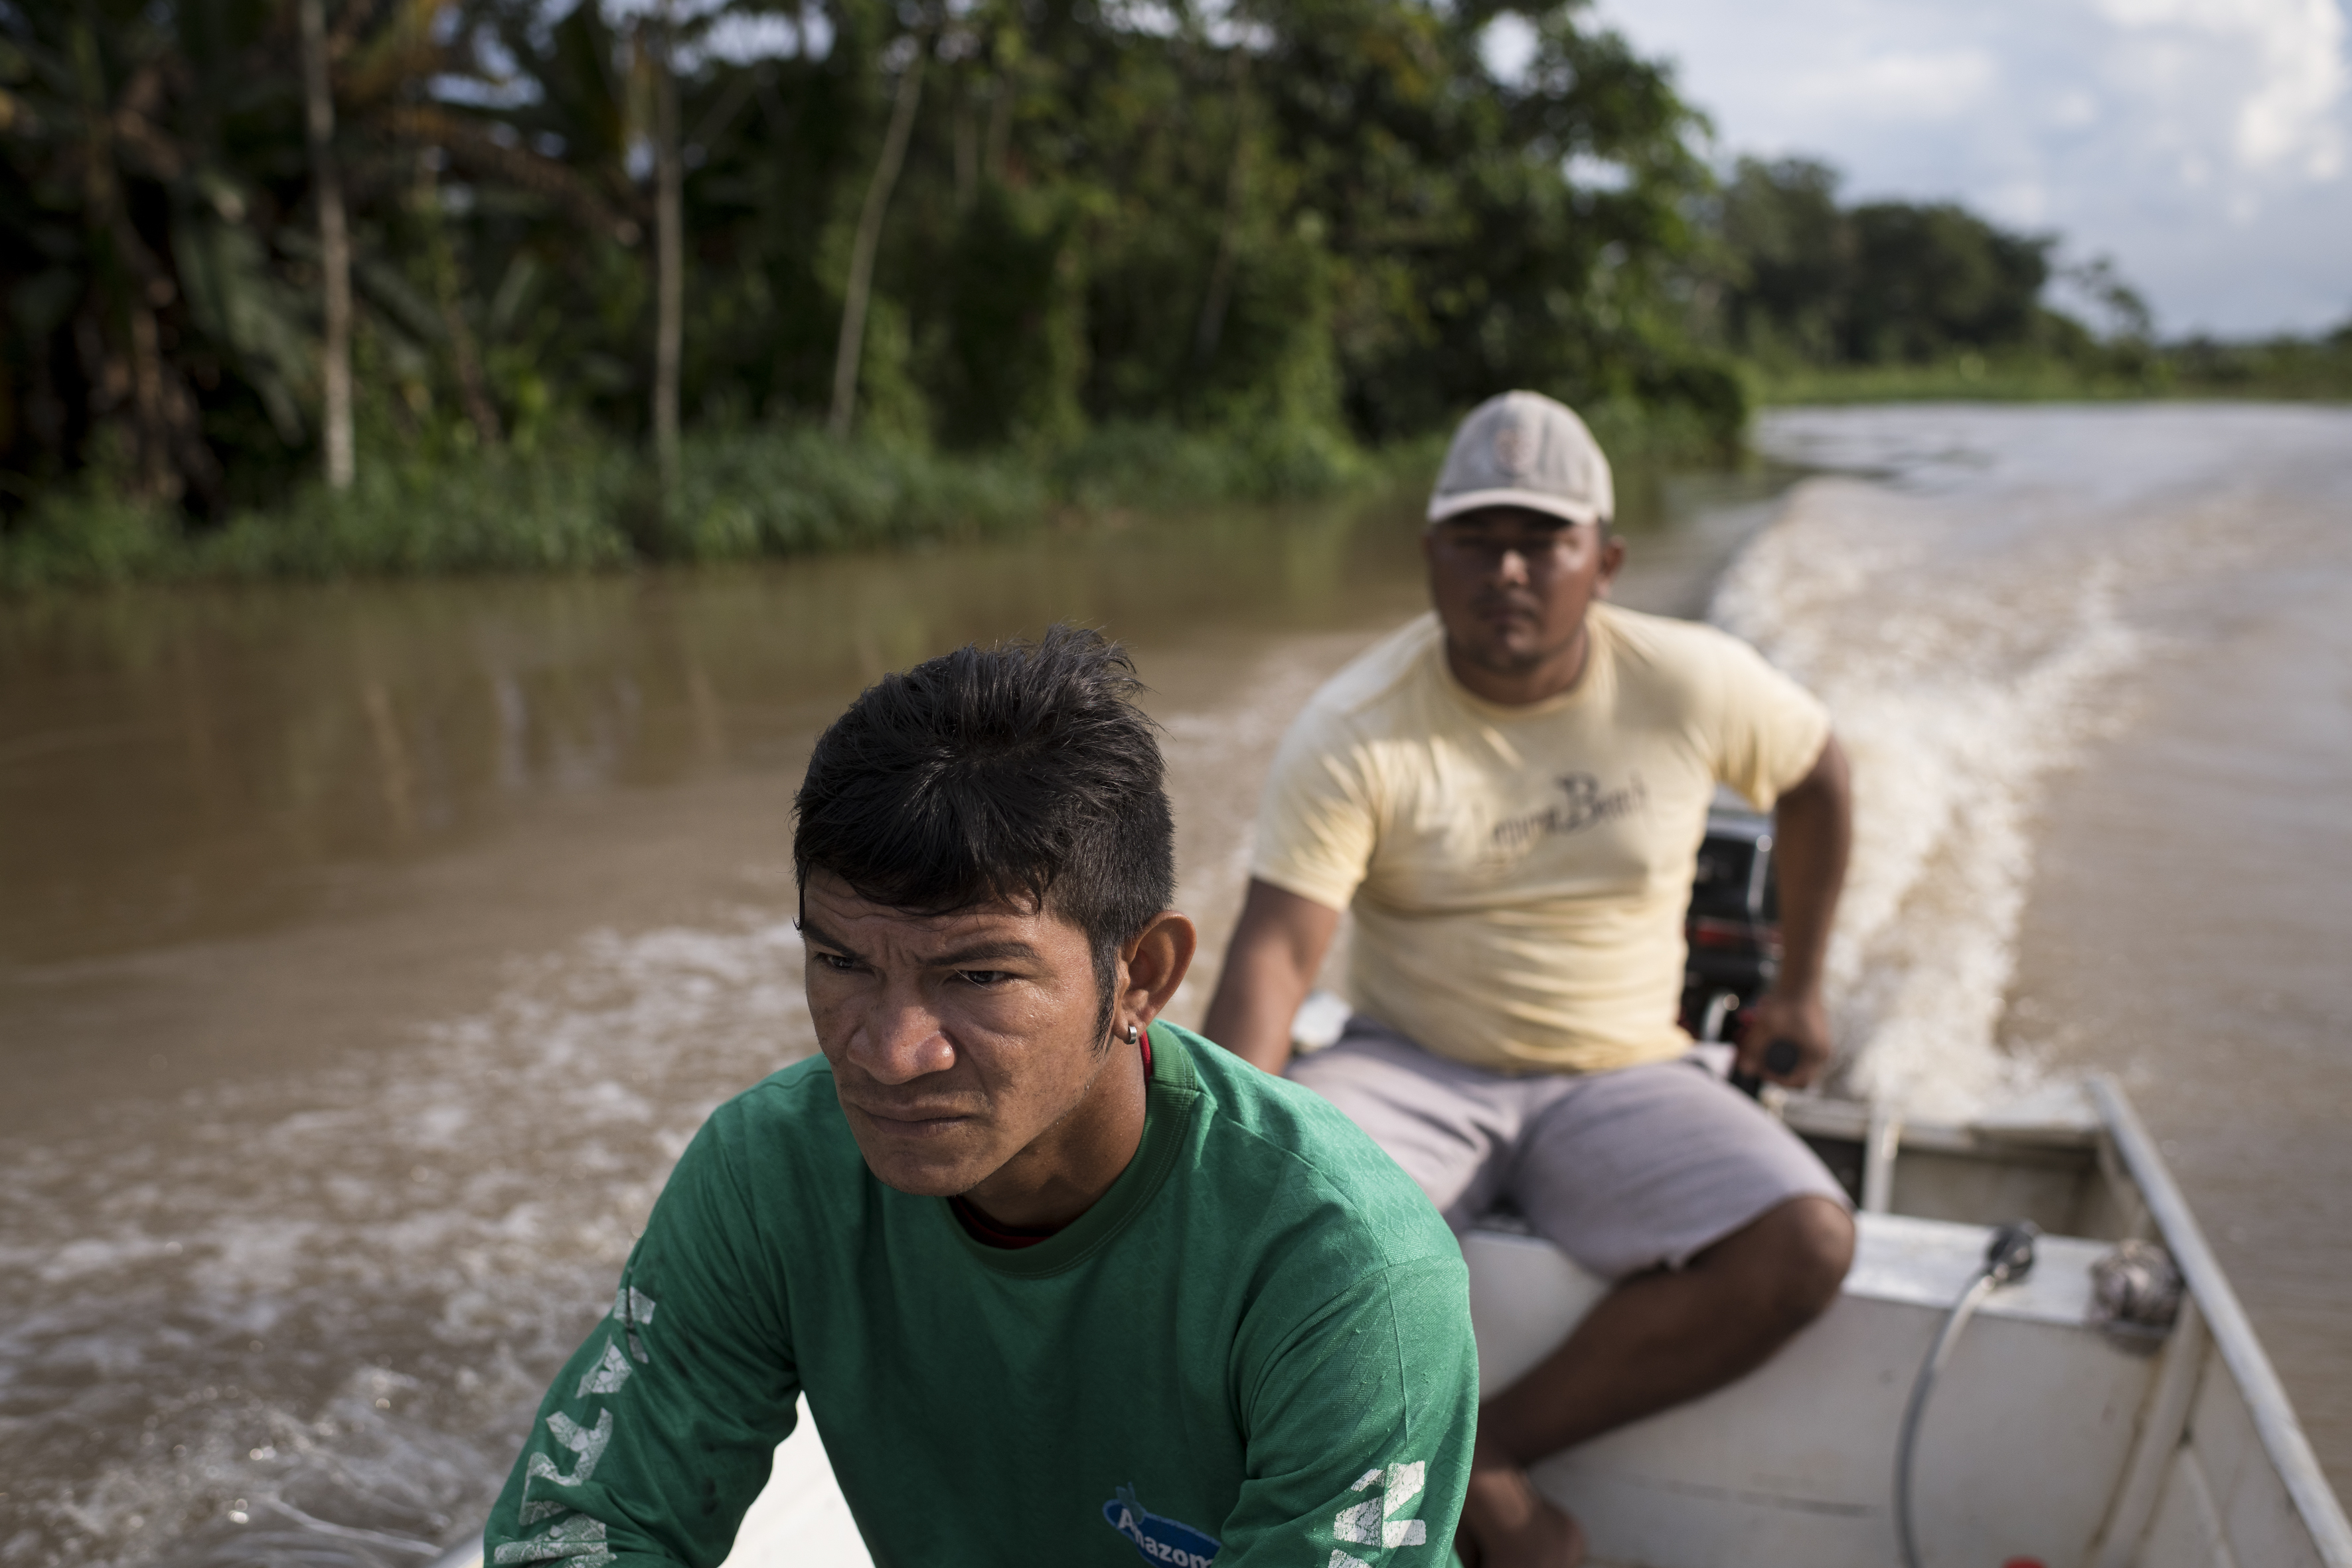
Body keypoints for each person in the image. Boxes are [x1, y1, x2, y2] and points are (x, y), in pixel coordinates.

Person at [483, 627, 1478, 1568]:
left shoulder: (1345, 1269)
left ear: (1141, 974)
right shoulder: (770, 1178)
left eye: (980, 976)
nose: (890, 1051)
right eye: (840, 960)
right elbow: (576, 1530)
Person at [1203, 392, 1858, 1568]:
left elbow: (1818, 776)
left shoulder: (1691, 681)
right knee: (1280, 1243)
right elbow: (1275, 954)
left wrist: (1802, 988)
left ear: (1601, 561)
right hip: (1411, 1059)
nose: (1506, 569)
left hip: (1623, 1069)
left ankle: (1485, 1455)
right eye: (1475, 538)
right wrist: (1206, 1171)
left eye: (1541, 541)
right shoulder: (1356, 724)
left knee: (1806, 1242)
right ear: (1429, 555)